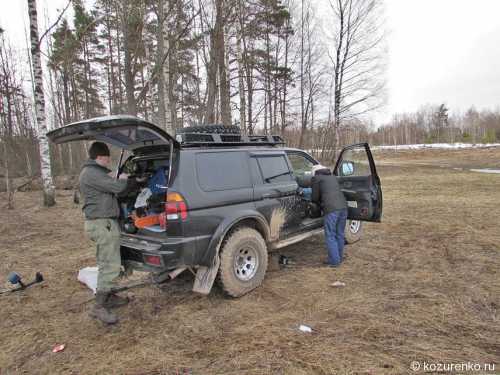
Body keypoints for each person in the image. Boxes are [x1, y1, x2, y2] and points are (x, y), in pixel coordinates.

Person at [79, 141, 139, 324]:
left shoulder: (92, 172)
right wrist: (133, 182)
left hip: (101, 223)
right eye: (107, 158)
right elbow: (119, 188)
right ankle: (99, 307)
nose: (109, 161)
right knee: (110, 265)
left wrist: (121, 175)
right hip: (102, 224)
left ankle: (109, 296)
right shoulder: (92, 174)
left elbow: (110, 177)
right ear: (100, 157)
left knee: (106, 261)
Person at [311, 164, 348, 267]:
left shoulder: (316, 178)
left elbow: (314, 198)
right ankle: (338, 258)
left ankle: (334, 262)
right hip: (343, 207)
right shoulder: (332, 176)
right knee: (339, 233)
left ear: (314, 172)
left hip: (331, 210)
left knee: (330, 235)